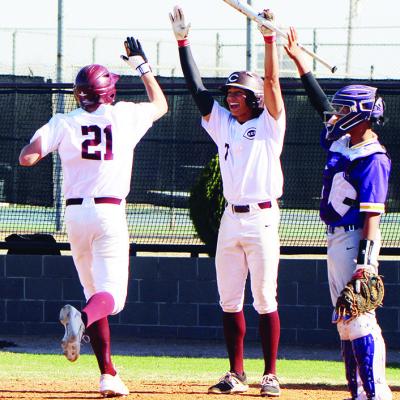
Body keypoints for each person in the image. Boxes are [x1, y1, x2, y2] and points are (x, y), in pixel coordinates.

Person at [19, 36, 168, 397]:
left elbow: (28, 156)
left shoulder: (64, 121)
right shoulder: (125, 114)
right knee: (109, 300)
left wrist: (39, 150)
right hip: (108, 213)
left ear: (79, 93)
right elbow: (160, 104)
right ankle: (81, 320)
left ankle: (108, 375)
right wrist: (142, 66)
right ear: (108, 93)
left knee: (94, 294)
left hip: (75, 216)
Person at [169, 6, 285, 397]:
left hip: (263, 218)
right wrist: (183, 43)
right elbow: (198, 92)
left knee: (265, 298)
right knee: (229, 300)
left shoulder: (268, 124)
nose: (231, 98)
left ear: (253, 98)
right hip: (230, 220)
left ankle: (270, 374)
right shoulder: (225, 127)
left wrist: (270, 40)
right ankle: (236, 373)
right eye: (230, 93)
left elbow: (272, 80)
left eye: (238, 93)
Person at [284, 27, 392, 400]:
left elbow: (373, 217)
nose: (338, 114)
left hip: (354, 239)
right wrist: (300, 62)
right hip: (335, 238)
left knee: (360, 318)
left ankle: (375, 393)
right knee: (346, 321)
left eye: (346, 109)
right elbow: (322, 107)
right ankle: (358, 392)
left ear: (363, 115)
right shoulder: (344, 140)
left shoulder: (373, 157)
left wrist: (366, 264)